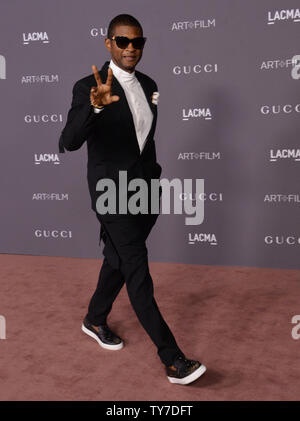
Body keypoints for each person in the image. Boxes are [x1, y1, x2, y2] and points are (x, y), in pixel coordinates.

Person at [58, 13, 206, 385]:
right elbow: (69, 141)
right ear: (108, 43)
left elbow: (143, 139)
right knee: (137, 269)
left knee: (118, 259)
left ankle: (94, 318)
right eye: (122, 41)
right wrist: (94, 108)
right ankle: (172, 359)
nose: (130, 48)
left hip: (145, 190)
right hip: (111, 192)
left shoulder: (151, 84)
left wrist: (154, 181)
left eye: (137, 42)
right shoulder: (87, 86)